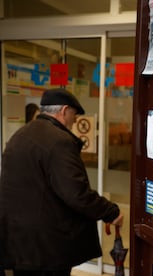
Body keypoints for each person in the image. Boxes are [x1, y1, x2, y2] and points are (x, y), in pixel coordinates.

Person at [0, 88, 123, 276]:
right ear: (64, 110)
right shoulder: (59, 141)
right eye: (74, 115)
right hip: (47, 248)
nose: (74, 122)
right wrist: (110, 212)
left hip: (18, 243)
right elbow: (76, 193)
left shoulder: (19, 136)